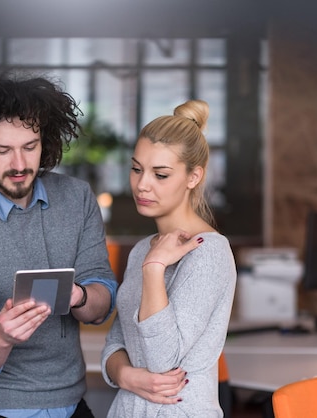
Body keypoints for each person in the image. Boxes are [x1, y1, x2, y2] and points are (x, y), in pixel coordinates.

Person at [0, 69, 121, 418]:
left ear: (45, 142)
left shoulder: (77, 199)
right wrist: (3, 336)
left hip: (73, 403)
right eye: (2, 150)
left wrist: (79, 295)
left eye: (29, 147)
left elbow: (103, 299)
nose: (19, 164)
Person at [101, 99, 237, 417]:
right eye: (136, 169)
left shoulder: (210, 253)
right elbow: (116, 342)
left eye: (160, 175)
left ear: (193, 177)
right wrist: (124, 374)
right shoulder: (141, 250)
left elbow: (164, 359)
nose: (142, 184)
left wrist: (154, 269)